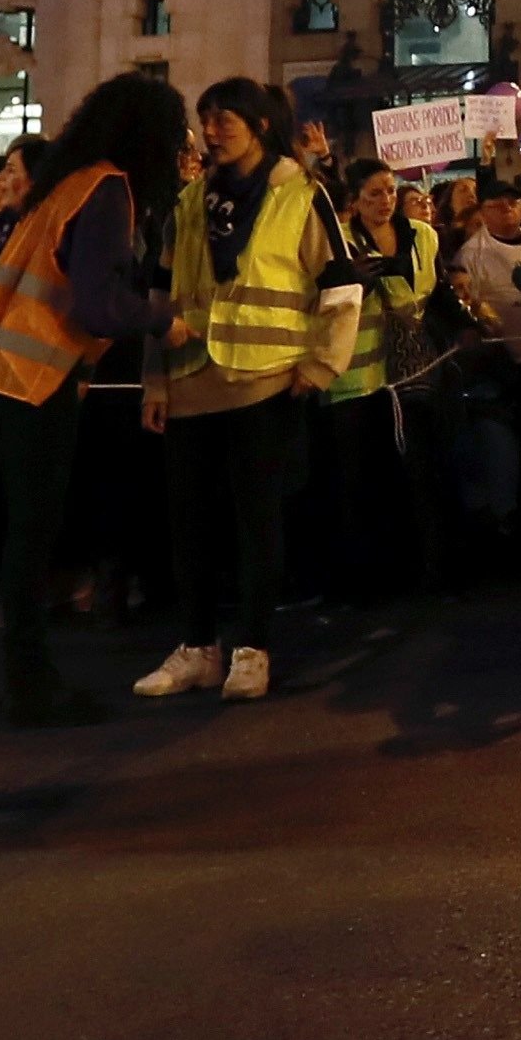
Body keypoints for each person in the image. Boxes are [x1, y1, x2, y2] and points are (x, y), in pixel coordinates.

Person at [0, 72, 181, 725]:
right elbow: (99, 304)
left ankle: (27, 680)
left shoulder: (68, 184)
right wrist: (165, 318)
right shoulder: (107, 189)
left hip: (7, 371)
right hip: (35, 377)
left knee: (26, 530)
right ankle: (29, 686)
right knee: (32, 531)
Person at [137, 78, 335, 703]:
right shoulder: (190, 202)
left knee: (258, 523)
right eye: (206, 118)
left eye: (225, 119)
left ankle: (252, 649)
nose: (212, 130)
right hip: (193, 382)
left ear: (261, 126)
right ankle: (197, 647)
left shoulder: (303, 194)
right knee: (188, 524)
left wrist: (321, 364)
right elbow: (159, 297)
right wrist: (155, 381)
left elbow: (341, 286)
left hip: (265, 382)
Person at [313, 156, 441, 605]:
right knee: (357, 482)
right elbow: (321, 304)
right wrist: (355, 283)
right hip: (352, 379)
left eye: (390, 190)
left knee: (416, 474)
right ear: (354, 200)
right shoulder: (339, 241)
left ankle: (423, 572)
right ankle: (364, 582)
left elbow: (429, 291)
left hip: (409, 373)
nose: (385, 201)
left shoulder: (422, 234)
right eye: (373, 194)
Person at [453, 174, 521, 571]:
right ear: (483, 212)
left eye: (513, 204)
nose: (508, 211)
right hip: (505, 368)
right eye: (497, 206)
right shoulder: (472, 253)